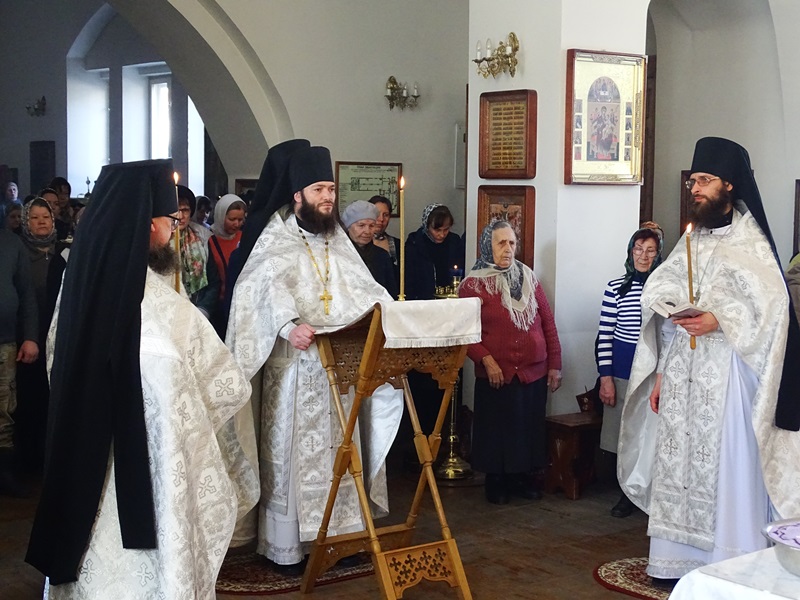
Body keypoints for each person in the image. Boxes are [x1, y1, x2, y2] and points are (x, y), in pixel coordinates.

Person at [25, 158, 258, 598]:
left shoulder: (82, 281)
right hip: (151, 463)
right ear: (149, 225)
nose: (175, 229)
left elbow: (58, 360)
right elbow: (219, 384)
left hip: (85, 454)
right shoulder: (156, 303)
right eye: (171, 220)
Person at [618, 137, 800, 586]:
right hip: (683, 369)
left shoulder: (751, 242)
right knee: (679, 463)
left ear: (729, 185)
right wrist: (662, 372)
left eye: (705, 180)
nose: (695, 188)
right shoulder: (691, 239)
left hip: (731, 378)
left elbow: (772, 308)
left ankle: (730, 560)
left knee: (727, 466)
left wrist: (719, 318)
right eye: (693, 181)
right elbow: (661, 286)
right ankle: (675, 560)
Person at [227, 144, 401, 571]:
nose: (328, 197)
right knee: (295, 458)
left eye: (331, 189)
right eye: (319, 189)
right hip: (295, 371)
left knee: (341, 454)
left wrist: (388, 313)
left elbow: (363, 288)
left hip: (340, 373)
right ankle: (289, 546)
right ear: (298, 195)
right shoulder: (276, 238)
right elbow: (258, 289)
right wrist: (287, 325)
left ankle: (341, 540)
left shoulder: (337, 240)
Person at [458, 221, 562, 504]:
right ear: (487, 246)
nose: (508, 249)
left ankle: (521, 478)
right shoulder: (472, 285)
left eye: (512, 243)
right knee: (497, 428)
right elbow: (465, 332)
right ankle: (496, 481)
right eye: (501, 243)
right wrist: (486, 360)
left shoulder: (528, 277)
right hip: (496, 372)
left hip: (533, 370)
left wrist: (555, 363)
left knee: (528, 426)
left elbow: (547, 322)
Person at [596, 226, 662, 518]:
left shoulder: (663, 289)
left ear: (658, 254)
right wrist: (606, 378)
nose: (643, 256)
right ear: (630, 252)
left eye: (650, 251)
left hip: (653, 372)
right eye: (638, 249)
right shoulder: (615, 288)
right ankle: (626, 492)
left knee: (648, 434)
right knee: (623, 434)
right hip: (623, 370)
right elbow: (605, 335)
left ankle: (648, 491)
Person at [14, 198, 67, 474]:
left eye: (45, 216)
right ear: (26, 222)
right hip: (30, 336)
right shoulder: (20, 253)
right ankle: (29, 461)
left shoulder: (63, 252)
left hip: (57, 336)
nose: (41, 222)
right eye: (34, 218)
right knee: (29, 399)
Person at [0, 226, 38, 496]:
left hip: (5, 341)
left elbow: (26, 293)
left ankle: (4, 473)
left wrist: (30, 337)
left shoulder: (12, 244)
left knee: (4, 409)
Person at [404, 203, 464, 300]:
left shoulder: (454, 241)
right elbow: (409, 278)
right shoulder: (414, 243)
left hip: (450, 300)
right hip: (422, 299)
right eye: (437, 230)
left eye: (446, 229)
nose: (442, 234)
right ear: (427, 226)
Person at [206, 193, 246, 334]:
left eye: (240, 219)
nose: (237, 224)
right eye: (232, 219)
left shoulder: (245, 238)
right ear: (220, 216)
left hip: (241, 304)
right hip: (219, 306)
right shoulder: (208, 240)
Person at [341, 200, 397, 297]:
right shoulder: (338, 254)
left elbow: (391, 292)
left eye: (371, 226)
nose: (367, 231)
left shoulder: (382, 256)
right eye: (361, 225)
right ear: (348, 227)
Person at [176, 184, 214, 317]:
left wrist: (203, 309)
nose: (180, 216)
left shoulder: (203, 237)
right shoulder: (158, 239)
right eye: (176, 210)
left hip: (198, 308)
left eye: (185, 210)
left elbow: (213, 281)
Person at [369, 195, 400, 291]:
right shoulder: (358, 244)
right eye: (377, 214)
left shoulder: (397, 245)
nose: (381, 219)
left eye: (386, 215)